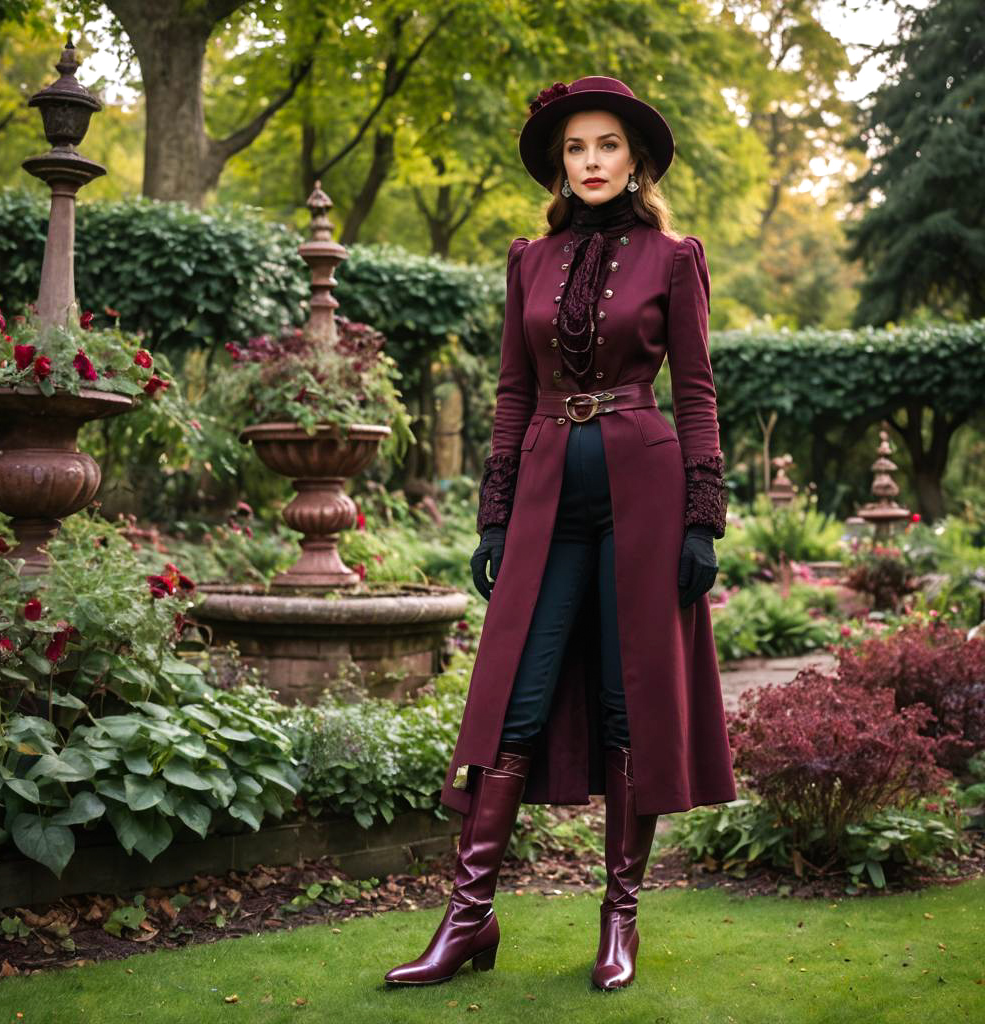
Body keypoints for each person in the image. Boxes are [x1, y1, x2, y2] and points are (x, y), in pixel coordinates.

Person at [384, 75, 736, 992]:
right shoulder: (527, 262)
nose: (590, 161)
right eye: (576, 148)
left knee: (628, 706)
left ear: (637, 160)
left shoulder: (673, 257)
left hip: (647, 497)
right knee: (515, 701)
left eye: (607, 146)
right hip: (545, 495)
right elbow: (510, 392)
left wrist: (704, 520)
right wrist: (493, 512)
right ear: (559, 163)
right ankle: (468, 919)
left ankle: (619, 921)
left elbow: (695, 393)